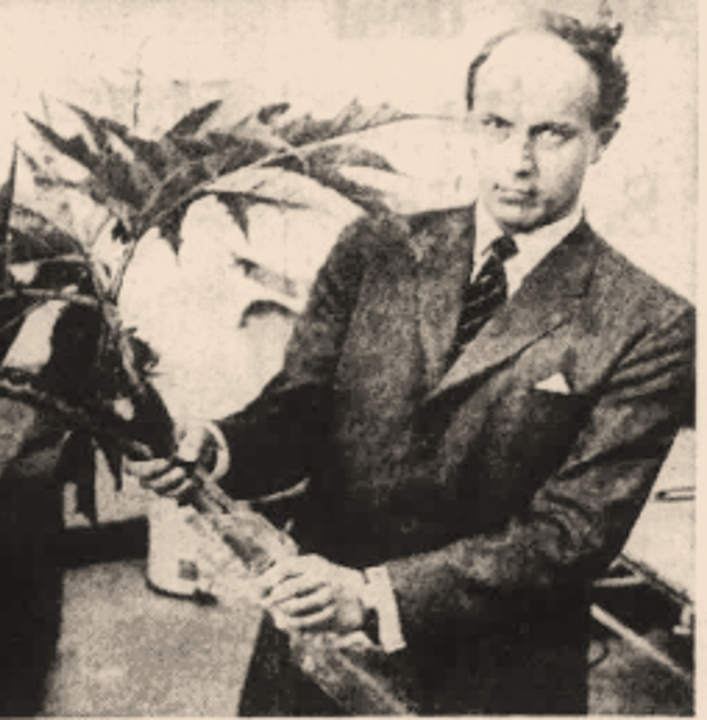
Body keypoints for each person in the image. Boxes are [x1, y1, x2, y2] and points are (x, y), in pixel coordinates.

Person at [129, 11, 694, 715]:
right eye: (497, 125)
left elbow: (571, 535)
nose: (519, 161)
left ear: (602, 140)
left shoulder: (652, 321)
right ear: (470, 124)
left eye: (552, 133)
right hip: (310, 664)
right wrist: (214, 446)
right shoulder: (377, 249)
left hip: (495, 685)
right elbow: (299, 411)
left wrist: (372, 596)